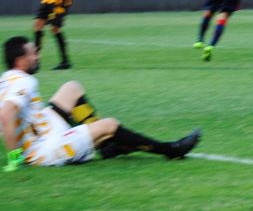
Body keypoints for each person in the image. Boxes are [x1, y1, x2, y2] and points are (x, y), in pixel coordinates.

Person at [1, 36, 201, 171]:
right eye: (32, 54)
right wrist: (15, 158)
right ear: (20, 60)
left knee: (71, 88)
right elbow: (6, 114)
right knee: (109, 125)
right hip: (43, 150)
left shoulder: (8, 78)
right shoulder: (24, 81)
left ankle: (107, 145)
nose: (37, 57)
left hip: (42, 131)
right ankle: (170, 150)